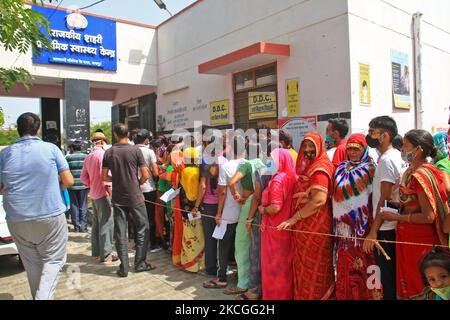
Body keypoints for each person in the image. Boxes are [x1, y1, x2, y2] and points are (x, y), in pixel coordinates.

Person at [0, 113, 74, 299]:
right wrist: (54, 189)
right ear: (38, 129)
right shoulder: (51, 149)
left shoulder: (5, 153)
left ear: (18, 129)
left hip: (16, 217)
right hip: (49, 214)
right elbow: (68, 180)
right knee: (54, 260)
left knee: (31, 263)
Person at [379, 129, 448, 299]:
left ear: (418, 149)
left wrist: (396, 217)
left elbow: (428, 216)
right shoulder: (412, 172)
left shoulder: (421, 175)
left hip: (419, 242)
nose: (402, 149)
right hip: (409, 239)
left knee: (421, 283)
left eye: (405, 145)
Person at [278, 131, 335, 300]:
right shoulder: (310, 165)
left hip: (315, 224)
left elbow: (318, 201)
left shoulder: (319, 168)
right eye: (305, 146)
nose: (308, 149)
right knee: (303, 264)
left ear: (319, 147)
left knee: (314, 265)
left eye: (312, 146)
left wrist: (294, 218)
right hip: (305, 223)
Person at [332, 133, 381, 300]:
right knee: (345, 263)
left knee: (365, 263)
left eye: (356, 149)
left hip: (363, 228)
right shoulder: (340, 168)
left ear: (364, 149)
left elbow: (375, 198)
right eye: (350, 149)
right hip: (344, 230)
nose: (352, 152)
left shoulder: (371, 169)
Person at [102, 123, 153, 278]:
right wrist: (136, 183)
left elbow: (104, 177)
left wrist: (116, 179)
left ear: (115, 135)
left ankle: (124, 268)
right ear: (128, 134)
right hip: (136, 196)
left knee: (120, 232)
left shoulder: (109, 152)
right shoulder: (135, 150)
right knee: (143, 228)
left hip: (118, 197)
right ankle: (140, 263)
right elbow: (146, 174)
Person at [363, 116, 402, 300]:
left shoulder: (387, 161)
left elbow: (384, 198)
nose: (369, 135)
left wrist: (373, 231)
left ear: (384, 136)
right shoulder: (394, 156)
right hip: (390, 225)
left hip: (386, 228)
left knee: (387, 280)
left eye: (372, 132)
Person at [203, 135, 246, 289]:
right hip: (244, 211)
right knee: (241, 244)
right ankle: (242, 275)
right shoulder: (248, 164)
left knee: (223, 244)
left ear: (230, 149)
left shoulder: (227, 166)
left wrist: (219, 213)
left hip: (228, 212)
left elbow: (222, 192)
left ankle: (221, 278)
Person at [256, 148, 296, 300]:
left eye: (272, 159)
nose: (270, 162)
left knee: (273, 267)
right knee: (284, 267)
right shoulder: (292, 177)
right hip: (286, 228)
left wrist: (262, 209)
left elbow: (275, 207)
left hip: (274, 230)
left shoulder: (278, 179)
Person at [226, 142, 265, 295]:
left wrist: (237, 196)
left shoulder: (247, 165)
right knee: (255, 245)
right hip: (262, 206)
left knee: (241, 244)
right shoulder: (264, 164)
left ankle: (243, 283)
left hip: (249, 203)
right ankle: (255, 280)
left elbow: (231, 182)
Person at [191, 138, 227, 277]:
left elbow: (203, 186)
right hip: (223, 204)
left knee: (210, 237)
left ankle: (210, 268)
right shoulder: (225, 161)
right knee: (223, 237)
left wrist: (196, 206)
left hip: (209, 204)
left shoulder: (205, 161)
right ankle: (224, 266)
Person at [80, 132, 117, 264]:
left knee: (96, 224)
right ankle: (106, 255)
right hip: (103, 194)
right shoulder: (103, 155)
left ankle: (96, 253)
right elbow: (106, 179)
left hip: (94, 194)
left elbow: (83, 177)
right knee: (106, 224)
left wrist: (92, 184)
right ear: (102, 142)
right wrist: (111, 196)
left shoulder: (89, 156)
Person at [177, 147, 205, 272]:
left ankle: (190, 264)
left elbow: (187, 193)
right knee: (200, 235)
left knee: (189, 236)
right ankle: (201, 263)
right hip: (198, 208)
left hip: (187, 210)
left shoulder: (185, 171)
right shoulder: (199, 171)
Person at [134, 129, 161, 252]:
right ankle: (153, 244)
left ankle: (137, 243)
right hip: (149, 188)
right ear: (146, 140)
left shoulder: (131, 150)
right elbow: (155, 172)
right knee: (150, 217)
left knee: (136, 218)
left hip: (134, 189)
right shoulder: (149, 152)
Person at [65, 140, 89, 232]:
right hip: (83, 185)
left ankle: (76, 226)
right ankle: (84, 226)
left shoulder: (68, 157)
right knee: (83, 205)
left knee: (74, 205)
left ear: (72, 148)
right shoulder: (86, 157)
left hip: (72, 185)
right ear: (81, 147)